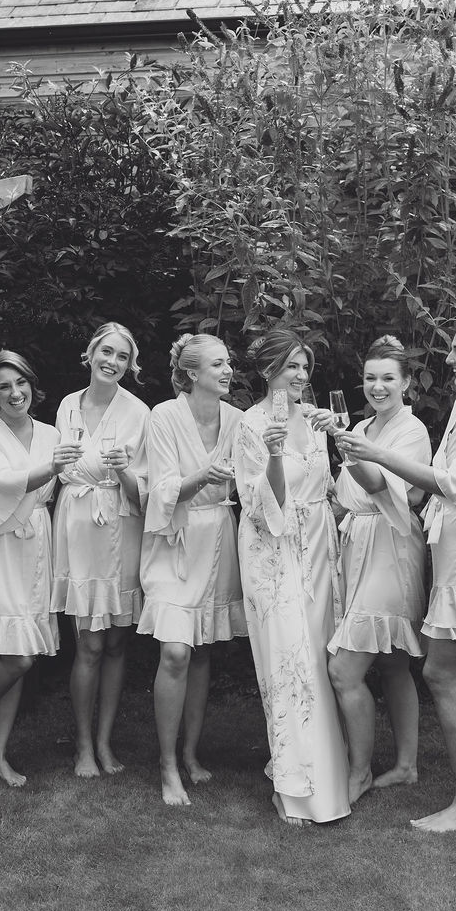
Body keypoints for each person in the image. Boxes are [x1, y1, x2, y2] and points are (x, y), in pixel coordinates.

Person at [337, 315, 456, 832]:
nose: (448, 360)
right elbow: (440, 481)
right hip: (455, 545)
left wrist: (377, 454)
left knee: (440, 673)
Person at [235, 327, 350, 828]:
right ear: (269, 371)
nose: (301, 376)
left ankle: (328, 774)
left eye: (305, 367)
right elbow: (265, 507)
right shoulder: (250, 424)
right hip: (273, 551)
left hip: (319, 549)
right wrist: (276, 454)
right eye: (292, 367)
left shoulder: (317, 418)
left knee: (318, 660)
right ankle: (292, 786)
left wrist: (339, 437)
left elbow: (330, 486)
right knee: (288, 662)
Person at [138, 334, 245, 807]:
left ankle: (190, 753)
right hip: (174, 541)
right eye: (218, 364)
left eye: (228, 363)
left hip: (218, 537)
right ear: (192, 373)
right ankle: (166, 765)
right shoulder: (163, 416)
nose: (227, 371)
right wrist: (204, 476)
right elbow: (162, 490)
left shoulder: (238, 420)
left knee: (202, 652)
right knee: (176, 652)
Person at [0, 349, 72, 787]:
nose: (14, 392)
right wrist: (52, 467)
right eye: (3, 386)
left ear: (31, 385)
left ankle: (0, 755)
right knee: (18, 656)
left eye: (20, 382)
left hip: (34, 541)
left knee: (19, 648)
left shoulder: (51, 433)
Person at [326, 335, 432, 805]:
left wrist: (347, 448)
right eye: (370, 378)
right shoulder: (362, 426)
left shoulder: (413, 431)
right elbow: (342, 497)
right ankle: (406, 766)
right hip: (357, 544)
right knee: (392, 662)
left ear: (406, 383)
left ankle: (359, 771)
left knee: (344, 670)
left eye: (388, 378)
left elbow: (377, 486)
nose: (378, 386)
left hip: (392, 546)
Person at [51, 323, 149, 777]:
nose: (112, 362)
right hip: (77, 525)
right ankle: (83, 746)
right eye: (106, 352)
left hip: (120, 526)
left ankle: (106, 742)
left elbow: (143, 491)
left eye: (122, 356)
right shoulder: (68, 405)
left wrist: (125, 470)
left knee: (115, 642)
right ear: (91, 354)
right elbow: (58, 469)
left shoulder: (139, 412)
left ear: (130, 365)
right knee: (88, 642)